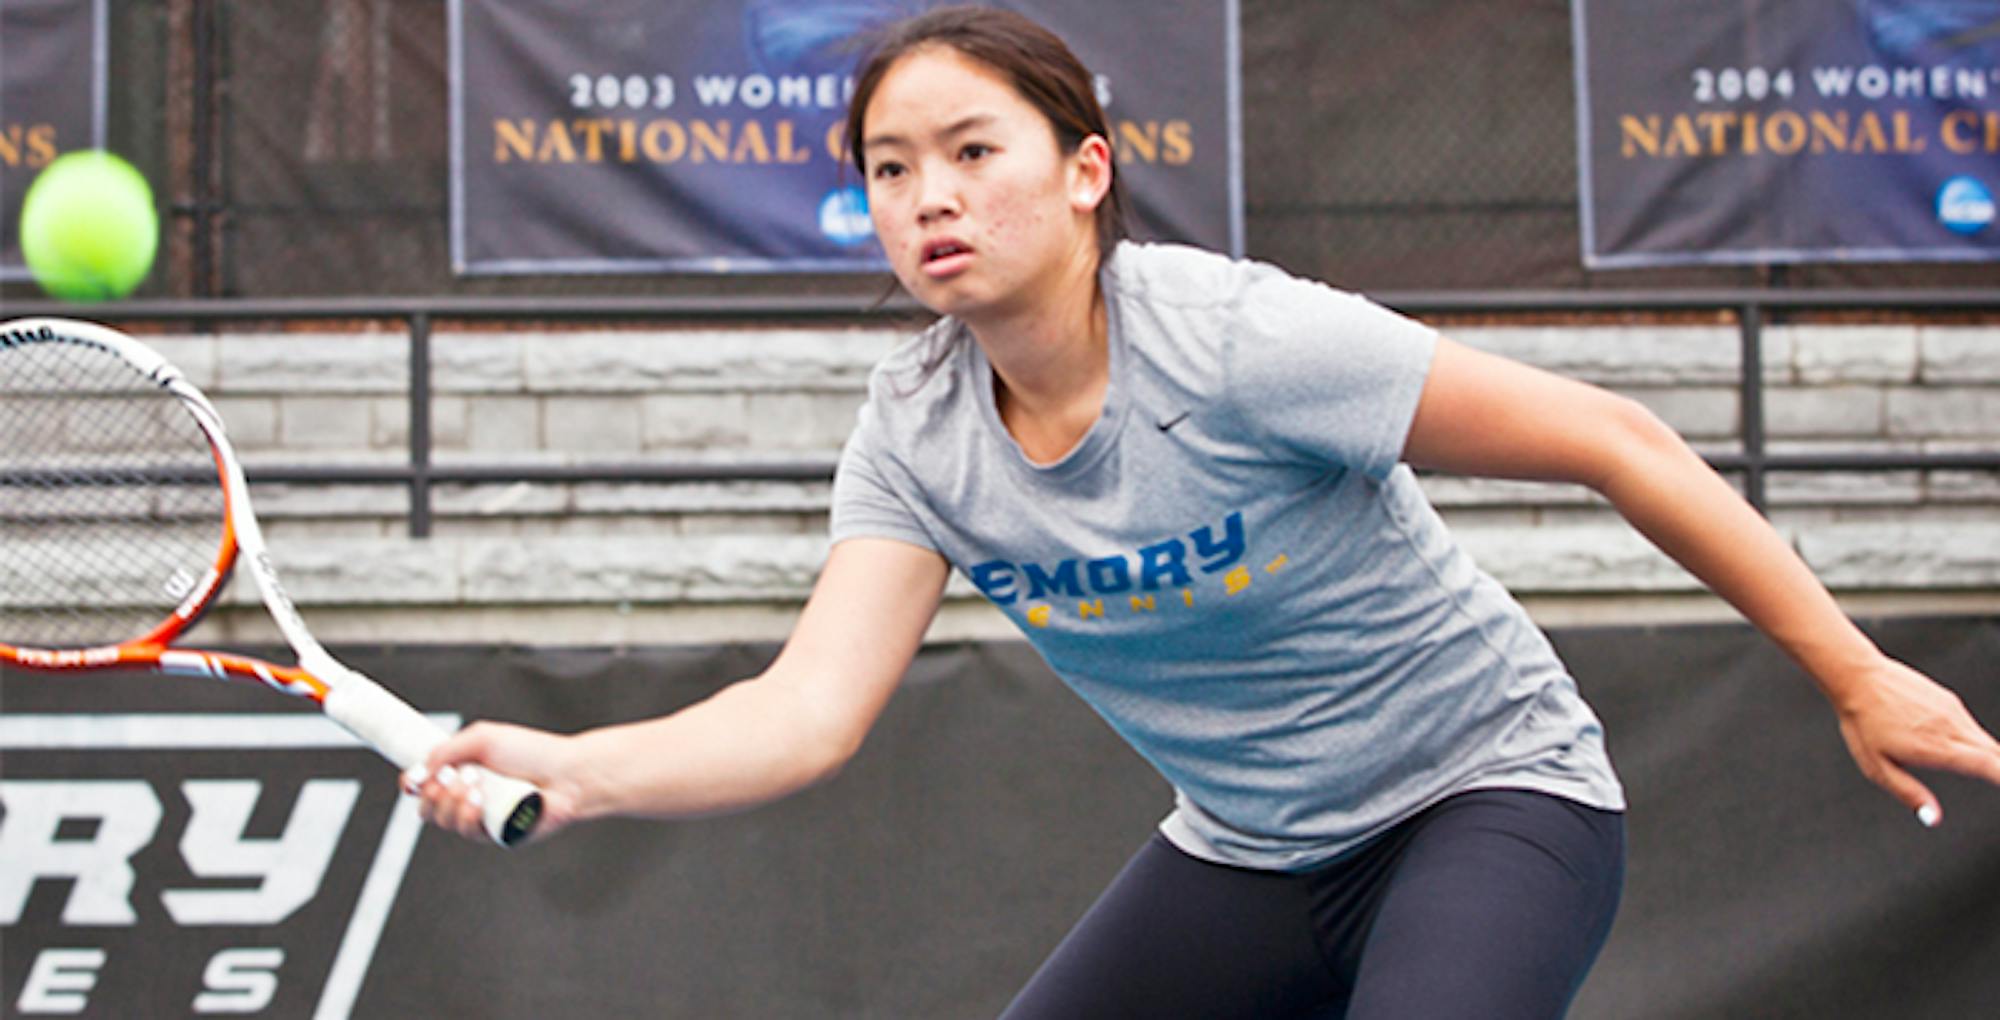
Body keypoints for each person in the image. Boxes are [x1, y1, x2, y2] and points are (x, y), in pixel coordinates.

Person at [409, 7, 2000, 1017]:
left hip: (1486, 801)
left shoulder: (1241, 343)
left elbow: (1616, 438)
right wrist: (586, 770)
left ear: (1087, 170)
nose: (931, 197)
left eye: (973, 150)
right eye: (891, 171)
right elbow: (808, 713)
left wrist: (1852, 671)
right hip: (1251, 855)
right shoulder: (916, 436)